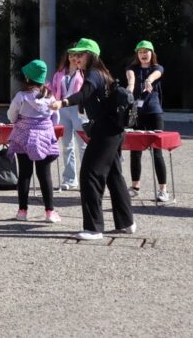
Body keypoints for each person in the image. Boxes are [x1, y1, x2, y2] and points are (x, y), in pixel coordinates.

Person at [52, 38, 135, 240]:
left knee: (90, 174)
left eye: (81, 54)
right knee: (114, 175)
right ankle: (127, 222)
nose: (76, 57)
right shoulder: (101, 74)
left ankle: (94, 228)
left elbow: (83, 94)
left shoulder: (94, 75)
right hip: (111, 129)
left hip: (106, 131)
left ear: (92, 56)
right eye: (74, 54)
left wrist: (62, 102)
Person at [7, 60, 61, 223]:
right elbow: (55, 118)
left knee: (24, 174)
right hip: (44, 137)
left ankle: (22, 211)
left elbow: (11, 116)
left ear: (28, 78)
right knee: (45, 175)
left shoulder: (21, 96)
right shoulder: (50, 96)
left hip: (23, 136)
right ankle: (50, 212)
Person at [125, 40, 169, 202]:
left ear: (152, 53)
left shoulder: (157, 68)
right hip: (137, 114)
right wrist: (130, 86)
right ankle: (135, 187)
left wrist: (149, 81)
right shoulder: (132, 68)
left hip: (154, 113)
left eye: (146, 51)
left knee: (157, 152)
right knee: (135, 152)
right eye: (140, 51)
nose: (143, 54)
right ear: (137, 54)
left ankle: (163, 190)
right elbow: (130, 78)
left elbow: (155, 75)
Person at [48, 46, 86, 191]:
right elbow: (54, 91)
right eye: (71, 54)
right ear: (67, 56)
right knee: (67, 146)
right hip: (62, 108)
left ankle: (86, 178)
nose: (74, 57)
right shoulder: (59, 73)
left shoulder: (83, 73)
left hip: (78, 109)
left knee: (83, 145)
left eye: (77, 55)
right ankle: (70, 179)